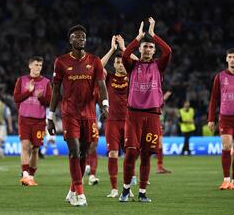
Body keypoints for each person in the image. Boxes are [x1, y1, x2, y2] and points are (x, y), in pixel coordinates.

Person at [47, 24, 109, 207]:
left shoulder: (95, 61)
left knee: (84, 153)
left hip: (89, 114)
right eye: (77, 36)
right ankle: (81, 193)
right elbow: (56, 91)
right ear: (70, 40)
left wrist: (105, 105)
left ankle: (73, 190)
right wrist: (50, 116)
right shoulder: (61, 62)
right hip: (69, 113)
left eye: (83, 36)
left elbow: (102, 86)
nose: (81, 39)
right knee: (74, 151)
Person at [119, 17, 172, 202]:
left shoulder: (159, 66)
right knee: (131, 152)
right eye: (144, 47)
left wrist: (153, 34)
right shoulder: (132, 65)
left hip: (153, 116)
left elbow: (168, 50)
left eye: (150, 47)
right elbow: (125, 55)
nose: (148, 49)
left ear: (154, 50)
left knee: (147, 155)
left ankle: (142, 192)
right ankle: (125, 190)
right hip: (133, 114)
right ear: (140, 50)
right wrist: (138, 37)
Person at [100, 35, 137, 198]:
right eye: (117, 62)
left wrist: (124, 49)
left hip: (129, 121)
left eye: (122, 61)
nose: (120, 64)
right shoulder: (108, 78)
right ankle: (114, 189)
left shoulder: (132, 77)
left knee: (130, 155)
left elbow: (140, 63)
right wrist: (112, 50)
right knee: (113, 154)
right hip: (112, 122)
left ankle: (128, 188)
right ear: (113, 64)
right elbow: (97, 66)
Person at [14, 56, 52, 186]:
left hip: (39, 121)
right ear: (30, 66)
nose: (38, 68)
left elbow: (50, 102)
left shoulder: (46, 82)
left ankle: (31, 175)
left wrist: (41, 98)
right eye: (36, 65)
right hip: (24, 119)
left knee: (35, 149)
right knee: (25, 146)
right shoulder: (22, 80)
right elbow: (16, 98)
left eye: (40, 65)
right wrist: (28, 92)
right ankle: (25, 175)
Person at [208, 48, 234, 190]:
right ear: (226, 59)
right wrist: (211, 118)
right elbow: (214, 98)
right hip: (225, 117)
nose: (232, 59)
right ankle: (226, 180)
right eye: (230, 56)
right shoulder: (220, 76)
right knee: (226, 146)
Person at [156, 91, 172, 174]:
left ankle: (160, 167)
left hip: (158, 124)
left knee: (160, 145)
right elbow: (159, 103)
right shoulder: (153, 100)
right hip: (153, 123)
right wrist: (165, 97)